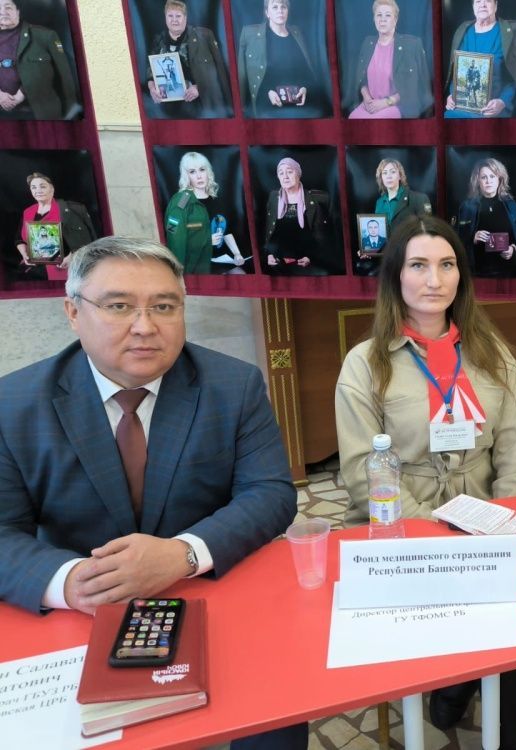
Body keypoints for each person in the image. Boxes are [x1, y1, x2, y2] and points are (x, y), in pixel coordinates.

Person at [0, 236, 303, 748]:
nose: (145, 326)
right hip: (80, 620)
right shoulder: (13, 404)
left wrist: (182, 554)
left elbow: (270, 492)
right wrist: (72, 582)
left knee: (274, 719)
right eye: (119, 306)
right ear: (73, 313)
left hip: (213, 595)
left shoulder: (233, 385)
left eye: (164, 306)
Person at [335, 215, 516, 750]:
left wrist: (503, 528)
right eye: (418, 265)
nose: (434, 280)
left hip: (486, 518)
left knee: (510, 601)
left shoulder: (493, 354)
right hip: (401, 526)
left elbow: (514, 451)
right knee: (447, 598)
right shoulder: (365, 364)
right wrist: (438, 536)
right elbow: (363, 472)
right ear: (396, 276)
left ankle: (504, 732)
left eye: (447, 265)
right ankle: (451, 682)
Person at [444, 0, 516, 119]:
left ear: (496, 5)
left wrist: (503, 101)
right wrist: (452, 95)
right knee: (448, 118)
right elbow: (457, 73)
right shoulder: (464, 32)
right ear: (473, 7)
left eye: (487, 1)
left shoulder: (508, 34)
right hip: (463, 106)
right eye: (478, 1)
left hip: (494, 107)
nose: (482, 5)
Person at [145, 0, 232, 119]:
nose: (174, 20)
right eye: (170, 16)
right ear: (165, 18)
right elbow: (150, 70)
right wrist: (152, 88)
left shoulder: (203, 37)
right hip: (168, 111)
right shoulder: (158, 40)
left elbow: (216, 72)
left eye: (178, 16)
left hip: (202, 108)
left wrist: (199, 88)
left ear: (185, 18)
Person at [164, 151, 247, 275]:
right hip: (197, 263)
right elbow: (173, 232)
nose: (199, 176)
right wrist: (207, 241)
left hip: (221, 259)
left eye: (202, 170)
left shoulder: (217, 200)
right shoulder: (183, 199)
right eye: (192, 172)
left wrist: (237, 254)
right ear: (187, 176)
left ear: (208, 172)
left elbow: (227, 231)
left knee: (241, 275)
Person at [347, 0, 431, 119]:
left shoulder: (409, 46)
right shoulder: (367, 43)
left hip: (398, 105)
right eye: (379, 15)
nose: (382, 19)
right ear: (374, 19)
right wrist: (366, 97)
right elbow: (362, 80)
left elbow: (412, 87)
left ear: (395, 20)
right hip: (371, 103)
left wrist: (386, 102)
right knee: (352, 118)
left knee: (373, 123)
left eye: (388, 15)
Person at [454, 158, 516, 278]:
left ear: (499, 179)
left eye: (492, 176)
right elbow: (456, 240)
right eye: (484, 177)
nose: (488, 181)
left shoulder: (512, 207)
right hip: (477, 273)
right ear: (478, 181)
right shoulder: (467, 207)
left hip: (509, 273)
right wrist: (473, 238)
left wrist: (513, 249)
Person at [0, 0, 80, 120]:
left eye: (8, 8)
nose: (3, 12)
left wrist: (72, 112)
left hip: (38, 114)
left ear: (18, 11)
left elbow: (65, 76)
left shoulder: (46, 36)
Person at [263, 156, 341, 275]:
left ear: (298, 174)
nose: (285, 176)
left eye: (289, 172)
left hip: (310, 260)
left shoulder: (318, 199)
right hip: (279, 260)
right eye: (281, 173)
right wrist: (269, 255)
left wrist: (311, 257)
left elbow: (327, 236)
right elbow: (270, 234)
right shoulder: (273, 198)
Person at [238, 0, 316, 118]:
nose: (280, 11)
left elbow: (306, 71)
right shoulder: (250, 34)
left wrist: (305, 88)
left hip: (297, 105)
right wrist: (267, 92)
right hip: (266, 105)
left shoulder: (297, 33)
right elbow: (243, 75)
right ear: (267, 12)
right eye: (275, 7)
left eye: (283, 7)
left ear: (287, 11)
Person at [356, 158, 432, 276]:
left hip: (411, 259)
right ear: (381, 178)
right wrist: (368, 250)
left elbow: (427, 232)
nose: (389, 176)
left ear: (400, 176)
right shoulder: (379, 203)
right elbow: (380, 234)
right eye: (384, 173)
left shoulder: (419, 199)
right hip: (388, 261)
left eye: (392, 171)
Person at [16, 171, 97, 282]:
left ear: (52, 189)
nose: (38, 190)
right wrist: (25, 255)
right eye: (33, 187)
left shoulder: (70, 210)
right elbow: (19, 239)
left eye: (42, 186)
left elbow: (86, 240)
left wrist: (72, 257)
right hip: (34, 268)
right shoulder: (28, 212)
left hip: (66, 269)